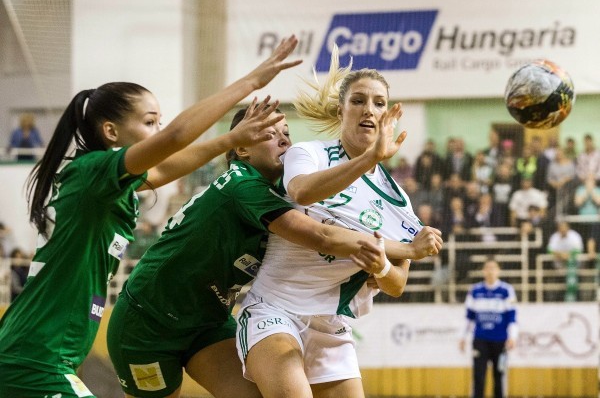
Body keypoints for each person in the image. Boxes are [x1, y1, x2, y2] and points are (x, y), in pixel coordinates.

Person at [0, 35, 303, 398]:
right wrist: (250, 84)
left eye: (159, 122)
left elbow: (164, 168)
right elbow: (176, 138)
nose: (159, 131)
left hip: (42, 354)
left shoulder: (110, 186)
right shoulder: (92, 172)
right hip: (35, 359)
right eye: (149, 122)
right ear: (111, 131)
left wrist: (227, 141)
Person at [106, 106, 439, 398]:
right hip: (147, 320)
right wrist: (409, 249)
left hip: (207, 322)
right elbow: (322, 236)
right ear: (241, 148)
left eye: (287, 133)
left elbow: (340, 233)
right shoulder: (242, 184)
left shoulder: (281, 192)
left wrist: (374, 267)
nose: (284, 141)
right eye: (270, 134)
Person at [236, 47, 443, 398]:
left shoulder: (398, 202)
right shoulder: (309, 154)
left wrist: (380, 266)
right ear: (340, 111)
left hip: (331, 325)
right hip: (274, 309)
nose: (369, 109)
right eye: (358, 101)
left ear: (388, 116)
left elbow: (397, 284)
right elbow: (302, 192)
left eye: (379, 103)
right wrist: (369, 159)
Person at [459, 258, 518, 398]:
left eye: (493, 268)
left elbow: (512, 317)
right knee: (478, 376)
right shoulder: (475, 290)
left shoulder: (507, 290)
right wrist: (462, 337)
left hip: (500, 341)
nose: (490, 271)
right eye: (487, 268)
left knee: (499, 376)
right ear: (483, 271)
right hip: (480, 340)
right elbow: (468, 317)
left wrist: (512, 337)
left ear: (498, 271)